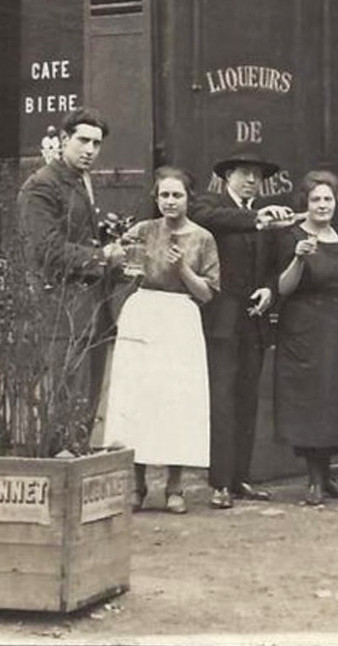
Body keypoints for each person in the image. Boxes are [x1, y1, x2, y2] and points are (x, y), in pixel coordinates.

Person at [100, 167, 219, 513]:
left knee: (175, 400)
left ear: (188, 198)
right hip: (144, 313)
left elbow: (207, 294)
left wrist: (182, 268)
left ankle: (174, 486)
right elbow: (119, 268)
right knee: (140, 398)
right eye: (164, 195)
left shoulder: (203, 238)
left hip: (180, 316)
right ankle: (137, 486)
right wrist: (117, 258)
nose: (170, 201)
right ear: (156, 198)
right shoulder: (142, 230)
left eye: (176, 195)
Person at [190, 145, 295, 509]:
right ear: (227, 176)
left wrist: (269, 289)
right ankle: (219, 482)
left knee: (247, 400)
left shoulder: (261, 216)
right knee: (222, 400)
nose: (252, 180)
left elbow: (274, 264)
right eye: (244, 173)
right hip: (220, 323)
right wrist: (258, 220)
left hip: (254, 322)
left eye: (257, 175)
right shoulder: (210, 206)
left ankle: (241, 478)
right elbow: (209, 219)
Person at [17, 108, 125, 451]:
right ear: (64, 140)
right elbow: (44, 249)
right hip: (60, 308)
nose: (90, 149)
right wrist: (101, 257)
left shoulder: (80, 180)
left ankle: (75, 467)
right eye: (83, 140)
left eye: (96, 143)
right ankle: (61, 473)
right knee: (64, 396)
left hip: (88, 309)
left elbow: (72, 236)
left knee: (85, 399)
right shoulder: (42, 186)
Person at [275, 170, 338, 505]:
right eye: (315, 199)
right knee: (313, 402)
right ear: (305, 203)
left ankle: (328, 477)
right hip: (306, 329)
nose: (322, 205)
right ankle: (314, 479)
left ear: (337, 202)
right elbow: (283, 288)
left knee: (336, 401)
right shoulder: (292, 237)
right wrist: (298, 258)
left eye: (328, 198)